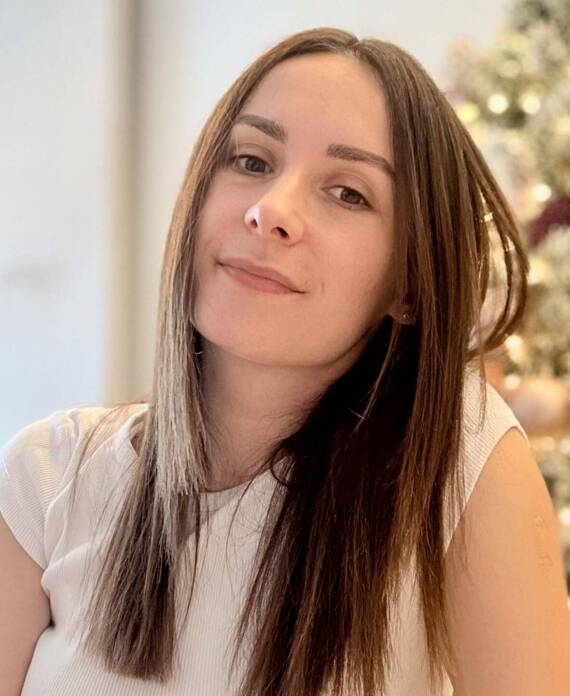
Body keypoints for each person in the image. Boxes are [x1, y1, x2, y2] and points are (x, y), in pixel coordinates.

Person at [1, 26, 569, 696]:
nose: (271, 210)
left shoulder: (454, 458)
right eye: (251, 161)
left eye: (349, 193)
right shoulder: (48, 478)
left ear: (409, 286)